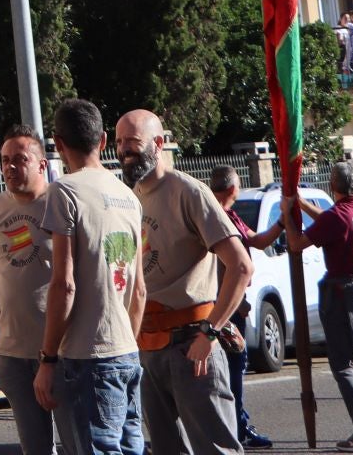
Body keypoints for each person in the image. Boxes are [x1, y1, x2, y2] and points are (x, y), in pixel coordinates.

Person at [115, 109, 250, 455]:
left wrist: (211, 331)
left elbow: (241, 266)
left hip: (192, 345)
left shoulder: (189, 192)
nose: (123, 152)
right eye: (118, 143)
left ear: (158, 144)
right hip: (148, 347)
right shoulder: (127, 199)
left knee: (215, 449)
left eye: (132, 142)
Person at [34, 99, 145, 455]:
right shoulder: (129, 195)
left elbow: (64, 284)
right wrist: (128, 344)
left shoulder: (64, 191)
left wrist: (48, 358)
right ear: (103, 139)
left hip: (89, 354)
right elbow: (139, 289)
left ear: (58, 143)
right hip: (127, 348)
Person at [0, 125, 56, 455]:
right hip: (13, 354)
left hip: (62, 352)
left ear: (41, 165)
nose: (10, 166)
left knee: (82, 443)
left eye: (20, 159)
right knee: (34, 448)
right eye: (5, 160)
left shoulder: (62, 203)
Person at [286, 157, 353, 449]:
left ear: (331, 185)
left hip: (344, 292)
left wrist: (289, 215)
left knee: (342, 363)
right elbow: (331, 220)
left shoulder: (336, 218)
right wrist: (303, 205)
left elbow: (297, 244)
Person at [208, 167, 277, 449]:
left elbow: (258, 241)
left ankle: (238, 423)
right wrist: (239, 300)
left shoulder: (231, 216)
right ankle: (235, 427)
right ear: (232, 189)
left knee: (235, 366)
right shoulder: (215, 217)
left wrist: (282, 222)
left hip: (233, 304)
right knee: (232, 367)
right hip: (224, 308)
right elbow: (223, 268)